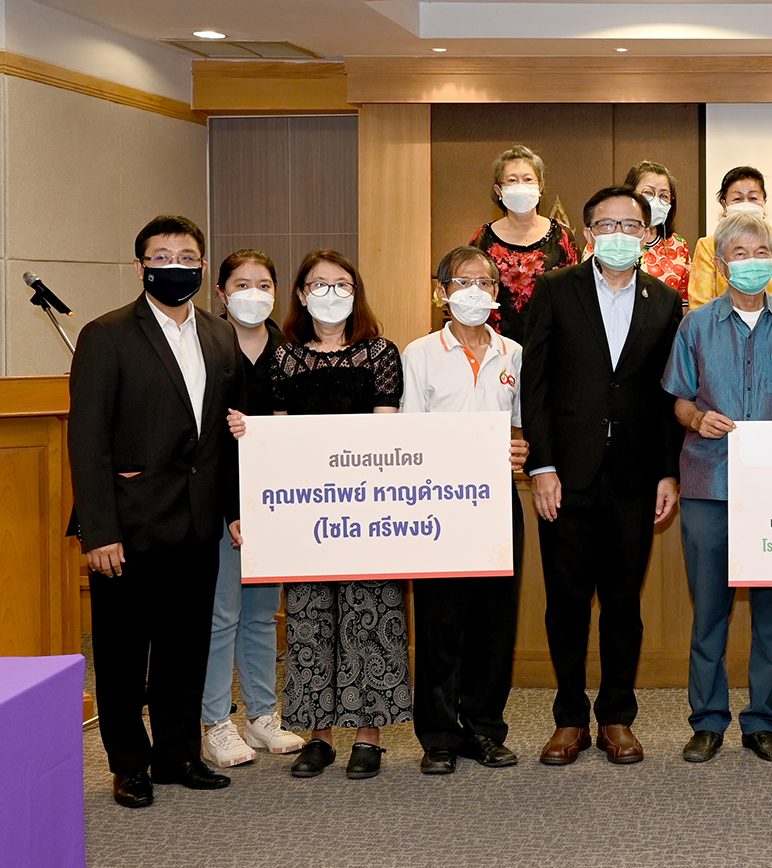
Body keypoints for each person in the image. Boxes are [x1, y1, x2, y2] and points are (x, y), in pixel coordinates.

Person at [70, 215, 242, 808]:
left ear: (202, 264)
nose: (176, 266)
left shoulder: (219, 336)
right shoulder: (107, 334)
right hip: (128, 525)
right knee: (122, 652)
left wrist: (234, 508)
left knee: (185, 647)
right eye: (162, 256)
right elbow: (88, 441)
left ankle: (178, 755)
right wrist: (99, 530)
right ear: (140, 265)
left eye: (187, 256)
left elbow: (222, 433)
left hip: (197, 521)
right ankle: (128, 764)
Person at [523, 187, 684, 766]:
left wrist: (668, 472)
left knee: (623, 603)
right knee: (566, 603)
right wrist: (542, 464)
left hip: (635, 477)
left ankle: (617, 716)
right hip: (566, 474)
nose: (620, 234)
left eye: (631, 225)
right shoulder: (554, 289)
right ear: (588, 233)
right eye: (607, 224)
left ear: (648, 234)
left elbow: (669, 393)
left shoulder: (666, 300)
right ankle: (569, 718)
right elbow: (535, 383)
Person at [661, 211, 772, 763]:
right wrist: (695, 418)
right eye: (740, 253)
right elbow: (680, 400)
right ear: (721, 262)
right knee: (709, 610)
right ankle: (707, 721)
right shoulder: (695, 326)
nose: (752, 262)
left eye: (761, 252)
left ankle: (763, 722)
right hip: (709, 482)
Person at [264, 249, 408, 780]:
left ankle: (368, 738)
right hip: (306, 512)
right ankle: (317, 736)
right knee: (309, 620)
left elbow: (385, 432)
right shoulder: (285, 358)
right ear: (301, 295)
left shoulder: (380, 353)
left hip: (368, 509)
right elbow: (278, 438)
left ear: (356, 292)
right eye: (319, 284)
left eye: (342, 283)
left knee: (370, 617)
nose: (331, 293)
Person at [399, 246, 532, 774]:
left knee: (495, 623)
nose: (475, 292)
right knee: (440, 622)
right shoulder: (420, 354)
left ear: (497, 293)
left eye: (485, 283)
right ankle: (438, 735)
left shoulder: (513, 353)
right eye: (462, 282)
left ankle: (484, 728)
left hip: (497, 500)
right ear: (442, 292)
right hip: (437, 504)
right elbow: (409, 432)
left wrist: (523, 450)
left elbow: (521, 425)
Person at [199, 250, 304, 769]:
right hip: (221, 504)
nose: (253, 293)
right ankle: (215, 721)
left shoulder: (292, 353)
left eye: (263, 284)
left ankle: (262, 715)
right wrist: (232, 509)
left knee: (263, 615)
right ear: (221, 292)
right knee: (223, 614)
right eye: (241, 284)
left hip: (276, 504)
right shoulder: (204, 348)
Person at [468, 144, 581, 341]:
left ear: (540, 186)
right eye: (512, 180)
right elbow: (472, 292)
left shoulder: (562, 236)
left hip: (552, 343)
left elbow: (576, 293)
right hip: (496, 344)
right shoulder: (483, 238)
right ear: (499, 190)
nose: (521, 186)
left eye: (528, 180)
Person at [688, 166, 772, 307]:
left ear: (764, 202)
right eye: (738, 199)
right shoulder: (708, 246)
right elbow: (700, 304)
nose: (746, 204)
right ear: (724, 204)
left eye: (753, 198)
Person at [583, 161, 691, 301]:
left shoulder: (678, 245)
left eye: (663, 196)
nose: (655, 201)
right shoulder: (607, 239)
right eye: (648, 193)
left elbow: (683, 301)